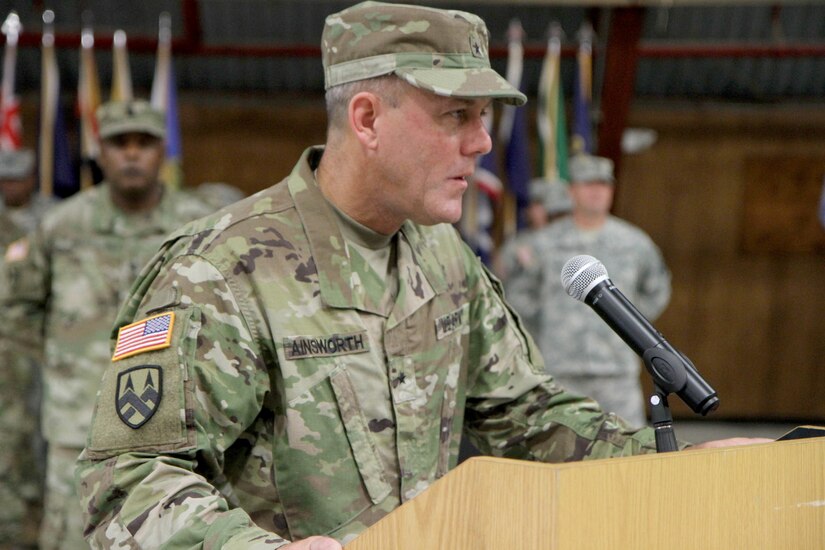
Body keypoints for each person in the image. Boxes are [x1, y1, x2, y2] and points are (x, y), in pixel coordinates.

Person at [75, 3, 768, 549]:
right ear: (368, 119)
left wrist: (673, 467)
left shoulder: (443, 257)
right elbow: (128, 478)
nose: (483, 141)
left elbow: (526, 417)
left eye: (486, 117)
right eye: (456, 116)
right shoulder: (219, 271)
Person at [0, 99, 217, 550]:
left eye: (145, 143)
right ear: (99, 152)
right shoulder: (62, 226)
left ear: (163, 152)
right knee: (71, 537)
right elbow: (18, 307)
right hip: (76, 427)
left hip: (171, 428)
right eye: (120, 143)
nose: (132, 154)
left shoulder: (197, 226)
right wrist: (63, 366)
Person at [532, 153, 672, 427]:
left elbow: (657, 287)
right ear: (571, 190)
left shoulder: (634, 242)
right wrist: (543, 328)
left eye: (603, 185)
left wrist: (631, 325)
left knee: (627, 452)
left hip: (615, 371)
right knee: (557, 452)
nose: (597, 192)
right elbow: (519, 291)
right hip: (560, 369)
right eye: (588, 184)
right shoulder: (544, 243)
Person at [0, 148, 55, 548]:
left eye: (17, 177)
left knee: (42, 428)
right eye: (4, 179)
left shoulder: (54, 219)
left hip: (43, 342)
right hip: (7, 344)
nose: (10, 186)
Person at [494, 177, 571, 337]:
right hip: (524, 328)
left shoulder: (571, 242)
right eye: (535, 205)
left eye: (542, 205)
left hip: (561, 329)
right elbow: (498, 278)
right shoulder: (518, 243)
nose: (537, 210)